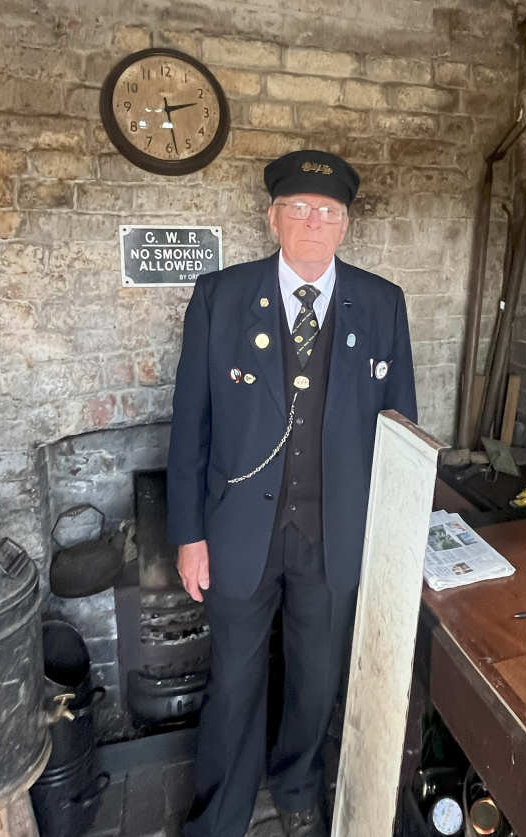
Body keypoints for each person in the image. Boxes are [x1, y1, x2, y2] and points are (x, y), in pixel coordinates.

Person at [167, 149, 418, 837]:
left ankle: (296, 784)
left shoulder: (382, 303)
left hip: (334, 536)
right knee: (233, 684)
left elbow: (400, 431)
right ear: (272, 218)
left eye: (328, 211)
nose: (314, 221)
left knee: (316, 679)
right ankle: (220, 815)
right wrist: (189, 535)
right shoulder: (219, 297)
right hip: (237, 535)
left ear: (346, 225)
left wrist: (390, 544)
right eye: (299, 208)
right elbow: (190, 425)